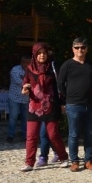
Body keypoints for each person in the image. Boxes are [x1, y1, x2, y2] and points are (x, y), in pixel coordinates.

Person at [20, 43, 69, 172]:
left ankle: (64, 157)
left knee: (53, 134)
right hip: (34, 106)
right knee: (31, 136)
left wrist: (63, 103)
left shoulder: (52, 68)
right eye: (39, 53)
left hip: (51, 105)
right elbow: (25, 83)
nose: (42, 55)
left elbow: (60, 87)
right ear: (35, 54)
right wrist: (25, 89)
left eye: (44, 53)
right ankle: (29, 163)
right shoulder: (30, 68)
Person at [57, 37, 92, 172]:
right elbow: (60, 83)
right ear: (72, 49)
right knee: (74, 134)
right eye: (77, 47)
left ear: (87, 49)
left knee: (89, 133)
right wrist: (66, 97)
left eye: (83, 47)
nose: (80, 50)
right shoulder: (67, 65)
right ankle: (74, 161)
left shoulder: (91, 64)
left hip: (90, 104)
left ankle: (88, 160)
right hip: (74, 104)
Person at [7, 55, 31, 143]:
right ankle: (10, 135)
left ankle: (24, 135)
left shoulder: (32, 70)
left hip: (26, 98)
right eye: (23, 62)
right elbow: (19, 82)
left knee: (25, 117)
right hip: (14, 97)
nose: (25, 64)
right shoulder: (15, 70)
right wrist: (31, 84)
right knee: (13, 117)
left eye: (27, 62)